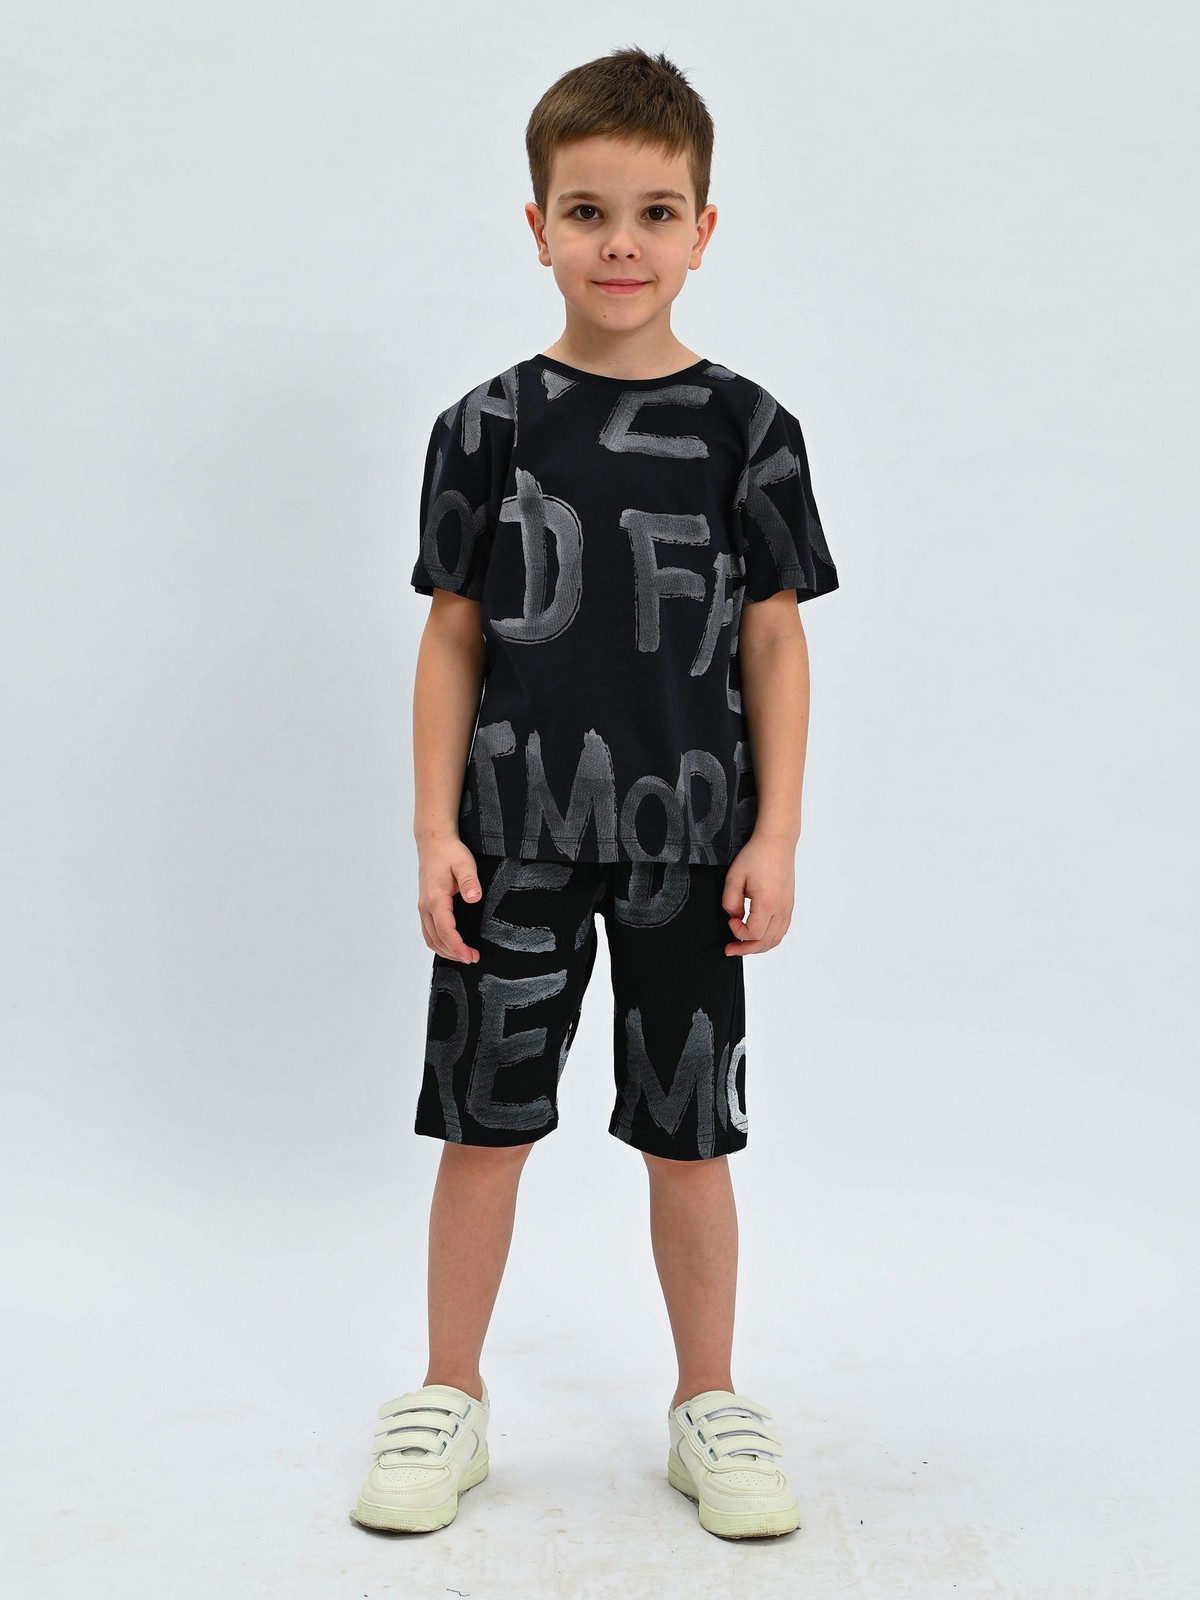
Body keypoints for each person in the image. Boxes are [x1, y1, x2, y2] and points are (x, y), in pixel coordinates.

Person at [351, 44, 840, 1543]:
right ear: (538, 226)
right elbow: (452, 636)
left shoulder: (751, 431)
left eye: (653, 212)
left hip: (691, 846)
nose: (620, 243)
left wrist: (775, 832)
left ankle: (710, 1401)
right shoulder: (486, 428)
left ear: (703, 229)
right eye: (586, 211)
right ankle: (448, 1392)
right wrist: (433, 829)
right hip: (515, 839)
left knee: (692, 1136)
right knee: (483, 1125)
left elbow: (774, 640)